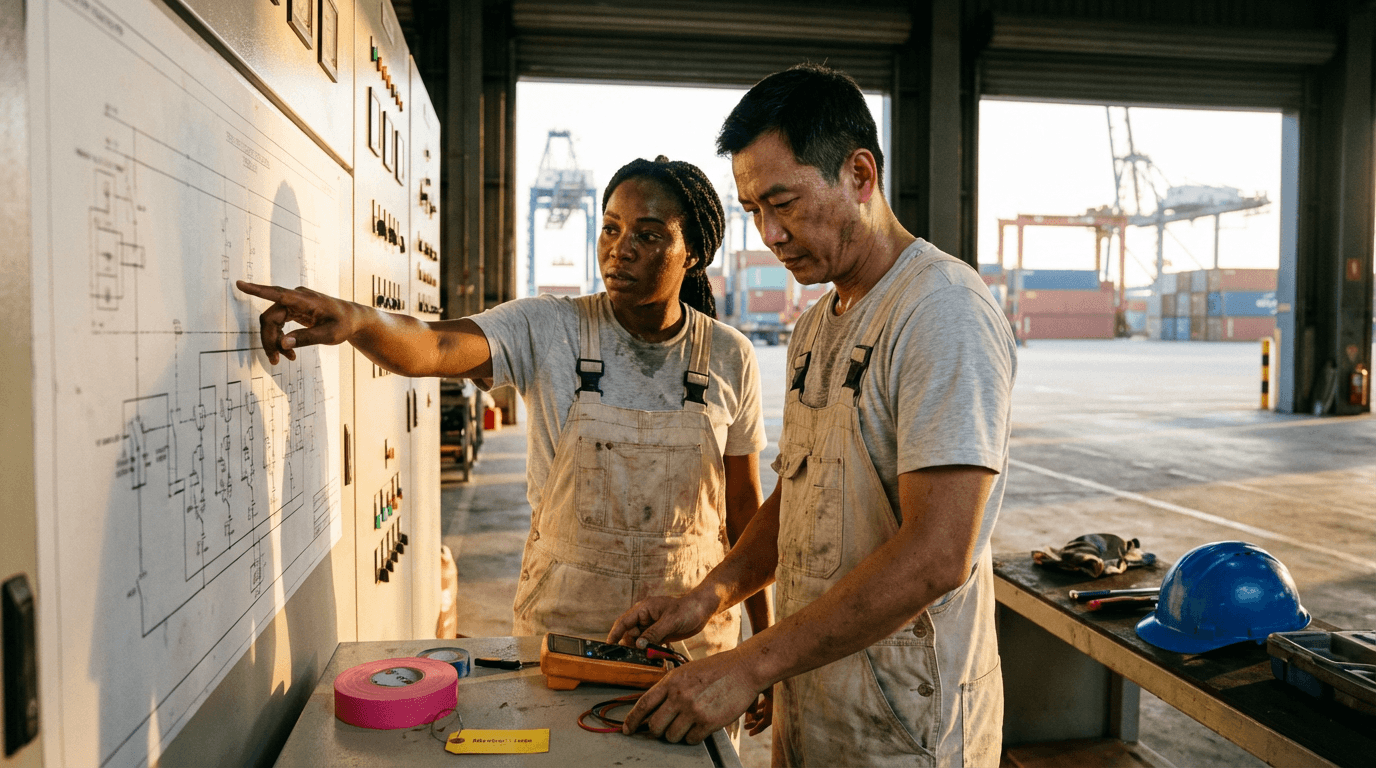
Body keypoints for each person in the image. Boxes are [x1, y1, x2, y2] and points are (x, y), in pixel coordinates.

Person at [237, 155, 773, 731]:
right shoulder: (549, 328)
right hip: (563, 638)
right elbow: (436, 347)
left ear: (692, 252)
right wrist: (359, 322)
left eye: (648, 235)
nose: (621, 249)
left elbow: (744, 513)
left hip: (690, 653)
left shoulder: (728, 356)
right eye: (611, 228)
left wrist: (762, 652)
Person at [607, 64, 1017, 766]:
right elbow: (799, 497)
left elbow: (937, 556)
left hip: (907, 725)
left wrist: (748, 665)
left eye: (783, 203)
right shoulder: (818, 324)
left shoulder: (941, 312)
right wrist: (709, 597)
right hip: (820, 703)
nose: (769, 232)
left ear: (860, 175)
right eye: (753, 211)